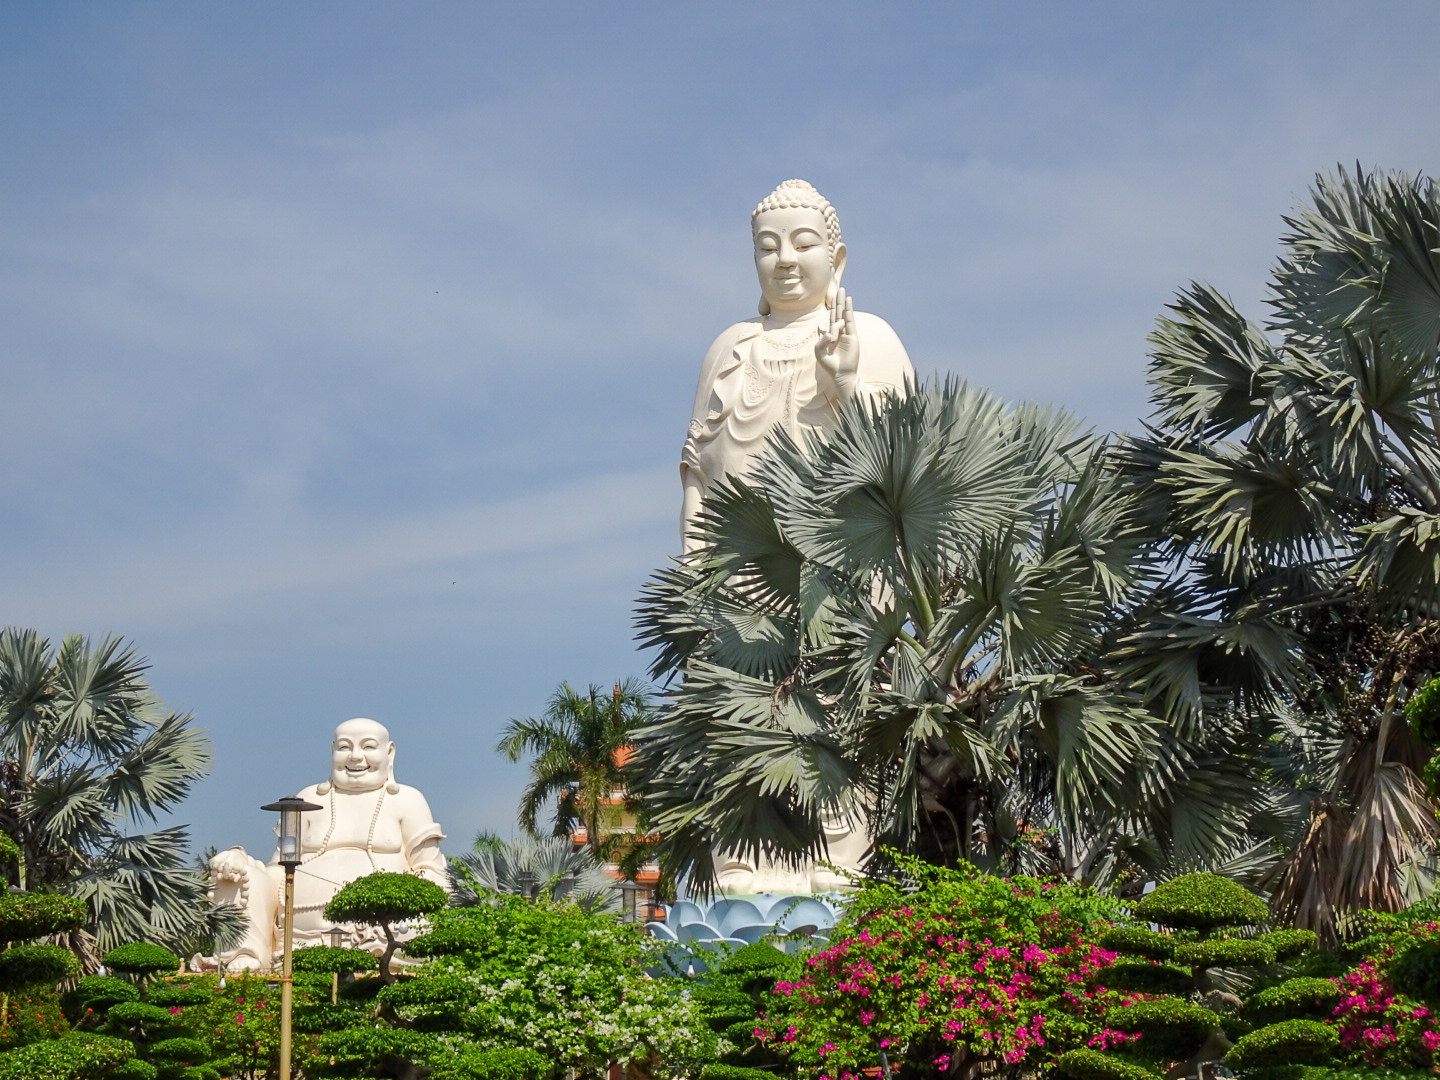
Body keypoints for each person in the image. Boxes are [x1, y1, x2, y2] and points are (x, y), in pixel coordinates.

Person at [680, 178, 914, 550]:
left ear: (836, 260)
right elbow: (698, 475)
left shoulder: (869, 334)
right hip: (741, 573)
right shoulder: (727, 347)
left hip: (843, 562)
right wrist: (694, 568)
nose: (785, 259)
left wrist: (849, 384)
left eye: (804, 244)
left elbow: (907, 453)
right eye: (768, 248)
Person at [208, 718, 447, 969]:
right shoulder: (308, 799)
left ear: (389, 753)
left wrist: (408, 913)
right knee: (237, 873)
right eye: (344, 747)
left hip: (383, 926)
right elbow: (278, 869)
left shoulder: (407, 800)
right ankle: (247, 954)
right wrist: (239, 860)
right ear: (332, 751)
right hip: (298, 927)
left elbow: (431, 871)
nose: (355, 757)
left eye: (367, 747)